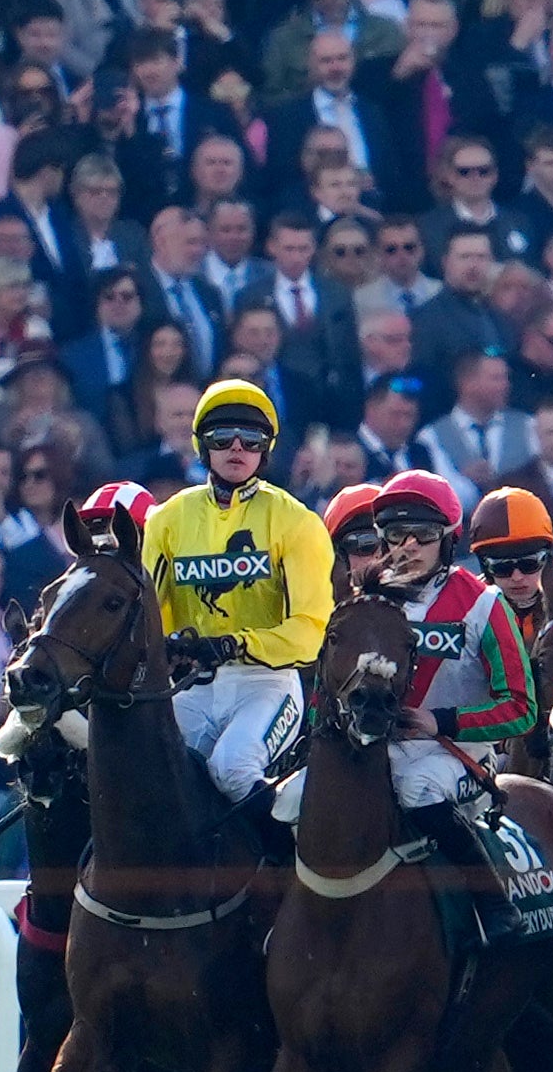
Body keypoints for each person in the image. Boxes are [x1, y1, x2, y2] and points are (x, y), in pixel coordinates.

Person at [306, 465, 521, 893]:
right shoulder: (362, 602)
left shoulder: (485, 604)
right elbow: (323, 692)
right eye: (395, 534)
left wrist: (438, 721)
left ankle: (492, 900)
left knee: (415, 788)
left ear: (448, 538)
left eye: (423, 534)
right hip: (374, 748)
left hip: (459, 754)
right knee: (296, 800)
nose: (408, 545)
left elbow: (522, 708)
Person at [140, 374, 327, 808]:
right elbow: (146, 611)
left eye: (252, 439)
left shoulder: (297, 522)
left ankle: (289, 870)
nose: (237, 448)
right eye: (223, 438)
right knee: (150, 773)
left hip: (266, 683)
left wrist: (233, 645)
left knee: (232, 768)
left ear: (267, 448)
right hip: (191, 684)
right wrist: (167, 649)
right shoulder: (166, 520)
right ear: (202, 446)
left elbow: (310, 630)